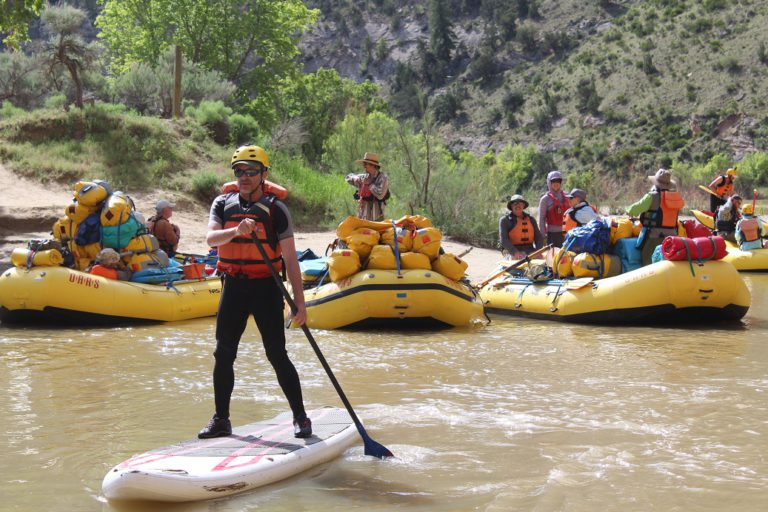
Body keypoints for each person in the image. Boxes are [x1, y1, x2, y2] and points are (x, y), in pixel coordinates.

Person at [198, 144, 312, 440]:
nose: (244, 176)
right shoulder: (222, 204)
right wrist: (236, 231)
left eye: (251, 171)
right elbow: (211, 238)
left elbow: (289, 259)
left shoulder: (276, 210)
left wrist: (299, 303)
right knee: (223, 354)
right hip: (234, 285)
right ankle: (221, 419)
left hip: (266, 287)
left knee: (276, 353)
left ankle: (300, 416)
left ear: (263, 174)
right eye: (239, 171)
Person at [627, 168, 685, 266]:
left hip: (653, 237)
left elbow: (633, 210)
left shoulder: (652, 196)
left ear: (656, 183)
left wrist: (627, 210)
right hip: (672, 237)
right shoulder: (675, 198)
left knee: (649, 265)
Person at [345, 152, 389, 221]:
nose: (364, 166)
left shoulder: (383, 178)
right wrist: (354, 178)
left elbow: (380, 195)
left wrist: (369, 184)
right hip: (362, 217)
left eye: (366, 164)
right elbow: (348, 177)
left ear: (373, 165)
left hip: (376, 218)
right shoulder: (364, 177)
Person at [499, 194, 544, 260]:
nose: (518, 206)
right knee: (517, 259)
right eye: (515, 204)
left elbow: (538, 237)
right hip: (511, 251)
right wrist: (515, 252)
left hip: (529, 249)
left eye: (520, 203)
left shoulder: (531, 219)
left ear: (523, 205)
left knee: (544, 259)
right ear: (511, 206)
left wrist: (538, 251)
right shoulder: (504, 220)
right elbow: (504, 240)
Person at [538, 170, 569, 247]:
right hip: (552, 234)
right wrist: (543, 235)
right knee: (554, 257)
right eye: (553, 181)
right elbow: (542, 219)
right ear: (549, 182)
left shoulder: (568, 196)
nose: (556, 183)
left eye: (558, 181)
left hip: (568, 232)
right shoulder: (545, 199)